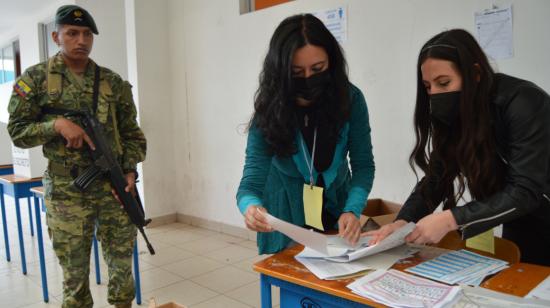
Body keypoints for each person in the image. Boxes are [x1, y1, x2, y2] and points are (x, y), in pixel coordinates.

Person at [365, 29, 550, 266]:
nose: (434, 94)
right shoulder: (458, 113)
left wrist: (451, 219)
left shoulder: (523, 103)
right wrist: (404, 221)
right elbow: (437, 176)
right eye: (428, 86)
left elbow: (526, 189)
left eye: (444, 83)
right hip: (521, 220)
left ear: (475, 74)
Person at [7, 5, 146, 307]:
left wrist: (130, 171)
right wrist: (55, 125)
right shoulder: (36, 80)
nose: (80, 40)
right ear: (57, 36)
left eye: (86, 34)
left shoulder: (113, 82)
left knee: (123, 268)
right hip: (67, 191)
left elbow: (132, 133)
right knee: (75, 276)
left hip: (114, 188)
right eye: (72, 33)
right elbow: (17, 131)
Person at [236, 14, 375, 254]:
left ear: (331, 63)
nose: (309, 78)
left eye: (318, 69)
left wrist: (352, 210)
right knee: (292, 278)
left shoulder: (350, 100)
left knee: (338, 277)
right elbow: (249, 186)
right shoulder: (269, 110)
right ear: (281, 71)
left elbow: (363, 166)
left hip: (337, 205)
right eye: (297, 72)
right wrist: (251, 209)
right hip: (286, 211)